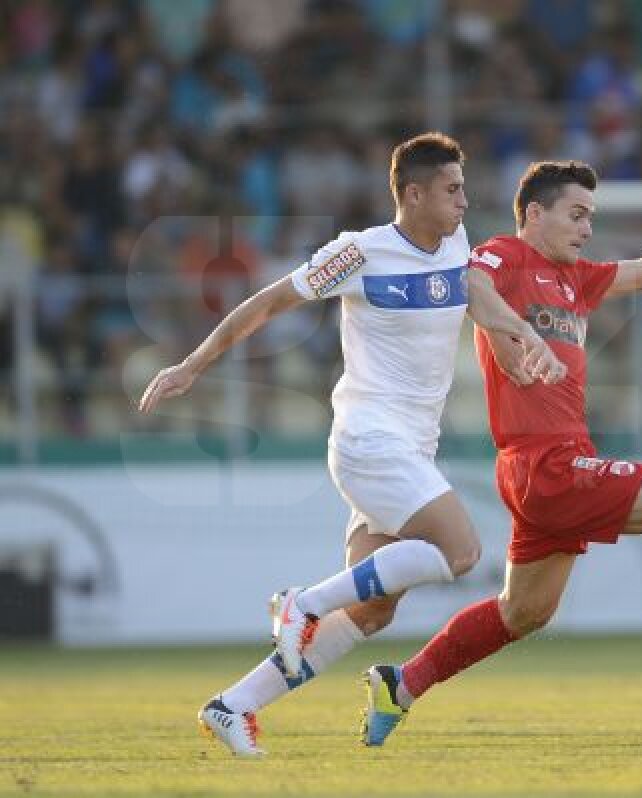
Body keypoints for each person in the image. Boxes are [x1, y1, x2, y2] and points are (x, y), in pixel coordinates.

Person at [138, 132, 566, 756]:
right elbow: (269, 302)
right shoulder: (359, 253)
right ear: (413, 194)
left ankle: (234, 705)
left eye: (464, 189)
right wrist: (193, 364)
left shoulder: (456, 245)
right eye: (452, 190)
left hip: (410, 449)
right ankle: (301, 602)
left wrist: (523, 338)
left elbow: (478, 299)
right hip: (370, 439)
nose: (465, 201)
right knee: (462, 551)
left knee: (371, 611)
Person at [357, 161, 642, 746]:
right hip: (545, 465)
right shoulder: (505, 255)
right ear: (534, 213)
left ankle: (401, 685)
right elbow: (473, 287)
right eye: (576, 215)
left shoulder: (576, 279)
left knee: (523, 612)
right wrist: (512, 337)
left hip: (550, 468)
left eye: (590, 217)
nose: (586, 228)